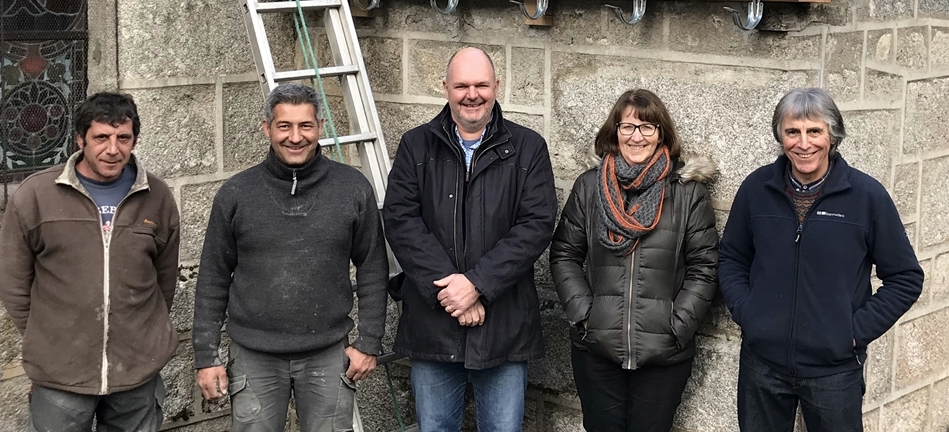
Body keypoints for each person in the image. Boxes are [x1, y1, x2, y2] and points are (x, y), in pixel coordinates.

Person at [719, 87, 924, 432]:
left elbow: (906, 277)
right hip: (762, 364)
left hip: (835, 370)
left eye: (814, 131)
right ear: (780, 137)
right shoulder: (756, 190)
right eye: (792, 132)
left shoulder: (866, 197)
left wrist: (852, 332)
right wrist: (749, 313)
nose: (803, 143)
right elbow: (732, 258)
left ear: (832, 135)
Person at [192, 83, 387, 432]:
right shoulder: (235, 194)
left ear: (320, 128)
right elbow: (212, 278)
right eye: (284, 126)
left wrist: (369, 342)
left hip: (328, 355)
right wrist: (207, 357)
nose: (295, 137)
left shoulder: (352, 188)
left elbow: (373, 267)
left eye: (305, 126)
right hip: (254, 357)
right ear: (267, 128)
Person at [383, 46, 557, 432]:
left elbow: (537, 224)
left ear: (498, 85)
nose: (472, 94)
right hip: (433, 323)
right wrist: (453, 293)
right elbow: (399, 219)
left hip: (503, 327)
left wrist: (477, 285)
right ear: (445, 87)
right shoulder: (416, 145)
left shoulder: (529, 148)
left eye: (481, 84)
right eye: (462, 85)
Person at [0, 92, 179, 432]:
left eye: (123, 138)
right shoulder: (37, 195)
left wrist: (142, 330)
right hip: (61, 375)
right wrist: (46, 332)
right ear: (80, 139)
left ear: (135, 139)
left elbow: (165, 277)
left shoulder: (157, 196)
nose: (113, 149)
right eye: (101, 138)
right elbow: (9, 277)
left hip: (135, 374)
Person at [550, 88, 718, 432]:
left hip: (663, 353)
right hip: (597, 349)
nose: (636, 136)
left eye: (647, 127)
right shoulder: (589, 187)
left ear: (662, 135)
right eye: (627, 127)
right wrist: (586, 315)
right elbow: (564, 253)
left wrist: (678, 324)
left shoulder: (687, 193)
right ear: (614, 133)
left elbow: (705, 266)